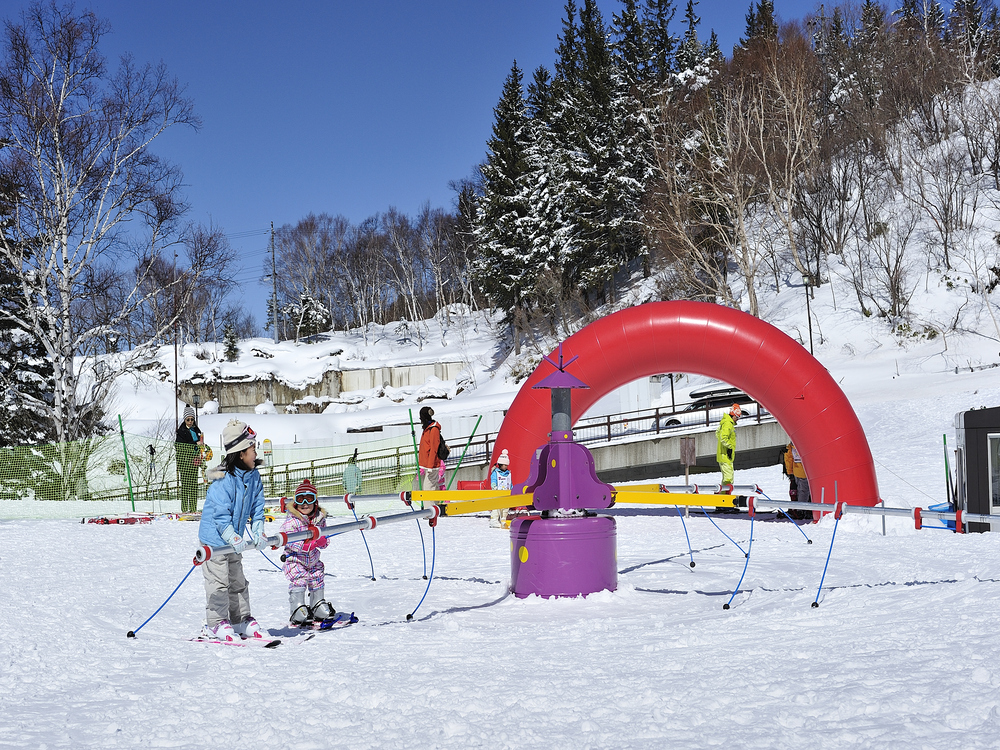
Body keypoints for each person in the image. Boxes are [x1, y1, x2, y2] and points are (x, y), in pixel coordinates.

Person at [197, 419, 269, 641]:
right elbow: (220, 516)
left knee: (238, 580)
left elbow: (258, 506)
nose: (255, 452)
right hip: (215, 541)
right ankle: (216, 623)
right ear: (240, 453)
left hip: (233, 539)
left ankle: (240, 619)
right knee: (219, 582)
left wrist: (258, 530)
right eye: (252, 448)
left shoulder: (253, 475)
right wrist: (232, 536)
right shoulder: (223, 480)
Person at [280, 479, 335, 626]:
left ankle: (317, 604)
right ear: (296, 502)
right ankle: (297, 608)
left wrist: (322, 541)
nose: (305, 503)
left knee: (317, 576)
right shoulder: (292, 521)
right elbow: (289, 541)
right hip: (295, 560)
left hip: (313, 560)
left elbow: (325, 538)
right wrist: (307, 545)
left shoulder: (319, 519)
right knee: (300, 579)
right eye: (300, 499)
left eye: (309, 499)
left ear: (315, 502)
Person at [175, 405, 204, 514]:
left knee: (193, 485)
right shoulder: (181, 432)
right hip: (185, 462)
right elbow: (180, 446)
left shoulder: (196, 430)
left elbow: (198, 444)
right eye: (188, 419)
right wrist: (195, 444)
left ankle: (193, 508)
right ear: (185, 419)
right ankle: (184, 509)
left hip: (194, 461)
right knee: (186, 486)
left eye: (192, 419)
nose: (190, 421)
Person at [418, 406, 447, 491]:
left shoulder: (433, 429)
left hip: (433, 465)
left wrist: (430, 466)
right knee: (432, 488)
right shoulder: (427, 428)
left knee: (428, 489)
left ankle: (430, 505)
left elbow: (434, 448)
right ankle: (436, 504)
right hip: (428, 464)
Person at [716, 403, 741, 490]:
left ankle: (722, 497)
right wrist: (729, 447)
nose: (737, 419)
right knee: (728, 478)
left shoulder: (727, 423)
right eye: (737, 417)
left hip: (726, 455)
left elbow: (718, 434)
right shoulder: (728, 424)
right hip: (725, 455)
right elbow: (723, 437)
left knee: (728, 478)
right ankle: (724, 497)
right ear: (733, 415)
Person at [783, 442, 810, 518]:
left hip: (796, 472)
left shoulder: (790, 448)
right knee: (804, 491)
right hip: (804, 472)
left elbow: (788, 459)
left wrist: (790, 471)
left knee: (799, 490)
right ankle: (801, 510)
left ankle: (798, 507)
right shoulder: (804, 446)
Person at [489, 449, 512, 528]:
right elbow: (493, 480)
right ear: (500, 464)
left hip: (506, 493)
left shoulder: (508, 473)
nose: (506, 467)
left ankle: (503, 519)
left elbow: (510, 482)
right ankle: (494, 520)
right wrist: (494, 486)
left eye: (506, 465)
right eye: (504, 465)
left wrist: (512, 489)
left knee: (505, 508)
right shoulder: (496, 472)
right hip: (498, 493)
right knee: (497, 507)